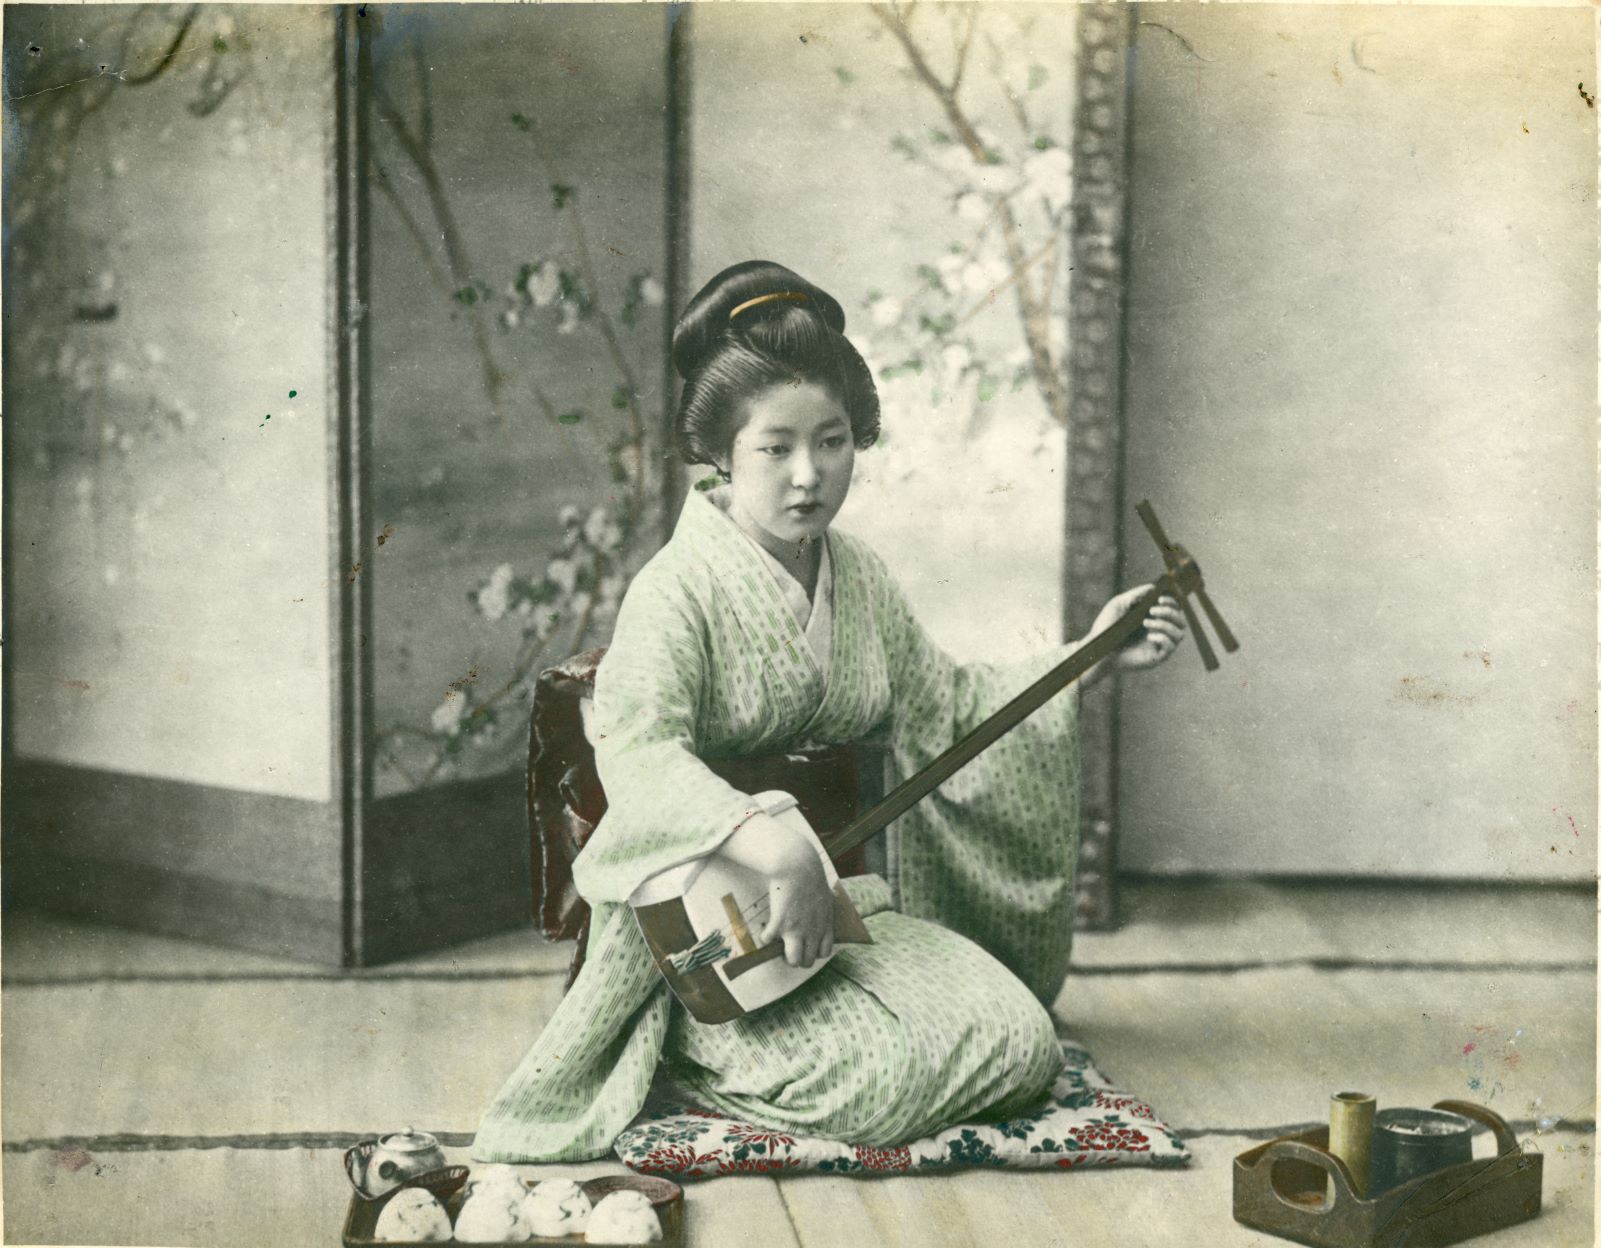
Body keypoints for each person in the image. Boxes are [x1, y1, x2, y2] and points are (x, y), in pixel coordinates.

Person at [472, 260, 1186, 1163]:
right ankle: (685, 1045)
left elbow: (950, 708)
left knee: (1019, 1038)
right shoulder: (676, 592)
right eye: (775, 448)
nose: (809, 476)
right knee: (885, 1083)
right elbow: (641, 754)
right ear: (722, 452)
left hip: (838, 901)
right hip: (711, 927)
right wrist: (767, 838)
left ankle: (822, 1038)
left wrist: (1092, 654)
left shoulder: (859, 576)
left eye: (834, 441)